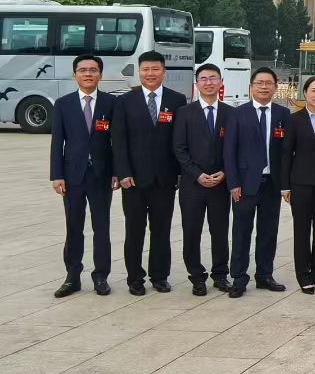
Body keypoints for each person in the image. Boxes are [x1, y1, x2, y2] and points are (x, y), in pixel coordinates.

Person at [111, 50, 185, 295]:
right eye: (145, 69)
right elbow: (118, 141)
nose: (150, 74)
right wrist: (123, 172)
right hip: (133, 180)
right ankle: (135, 278)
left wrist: (179, 173)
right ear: (139, 72)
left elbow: (180, 140)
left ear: (164, 72)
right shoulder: (124, 102)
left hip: (165, 179)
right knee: (134, 231)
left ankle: (160, 276)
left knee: (161, 230)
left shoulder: (177, 100)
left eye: (155, 69)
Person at [50, 54, 118, 297]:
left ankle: (101, 276)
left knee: (102, 227)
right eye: (83, 70)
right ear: (74, 75)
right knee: (73, 227)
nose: (88, 74)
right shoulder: (63, 104)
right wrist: (57, 175)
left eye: (93, 70)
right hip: (72, 177)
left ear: (100, 74)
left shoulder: (111, 103)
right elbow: (57, 142)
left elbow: (117, 141)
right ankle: (72, 277)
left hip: (102, 176)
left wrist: (117, 172)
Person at [224, 66, 291, 297]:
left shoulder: (283, 114)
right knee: (241, 231)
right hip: (245, 184)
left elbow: (286, 152)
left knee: (268, 231)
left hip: (272, 183)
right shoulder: (238, 114)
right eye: (259, 83)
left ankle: (264, 275)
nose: (264, 87)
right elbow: (229, 151)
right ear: (251, 87)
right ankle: (239, 277)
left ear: (275, 87)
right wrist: (233, 183)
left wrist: (285, 184)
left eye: (268, 83)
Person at [173, 63, 232, 295]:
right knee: (191, 231)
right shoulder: (184, 113)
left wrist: (225, 172)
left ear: (221, 82)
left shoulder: (230, 113)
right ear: (196, 84)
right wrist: (197, 174)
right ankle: (196, 277)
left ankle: (220, 274)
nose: (208, 83)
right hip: (192, 184)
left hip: (220, 184)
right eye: (204, 79)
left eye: (213, 78)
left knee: (220, 231)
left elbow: (234, 148)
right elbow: (179, 148)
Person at [277, 74, 315, 294]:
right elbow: (286, 154)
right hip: (300, 183)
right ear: (305, 93)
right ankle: (304, 275)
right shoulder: (294, 119)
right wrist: (285, 186)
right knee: (302, 231)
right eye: (314, 91)